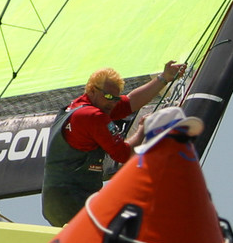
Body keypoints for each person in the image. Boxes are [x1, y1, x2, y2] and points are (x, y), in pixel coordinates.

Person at [41, 61, 186, 226]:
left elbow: (129, 102)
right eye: (109, 97)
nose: (113, 102)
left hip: (54, 203)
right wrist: (142, 130)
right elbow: (124, 154)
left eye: (116, 98)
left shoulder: (78, 107)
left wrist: (163, 78)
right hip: (74, 202)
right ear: (93, 90)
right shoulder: (93, 117)